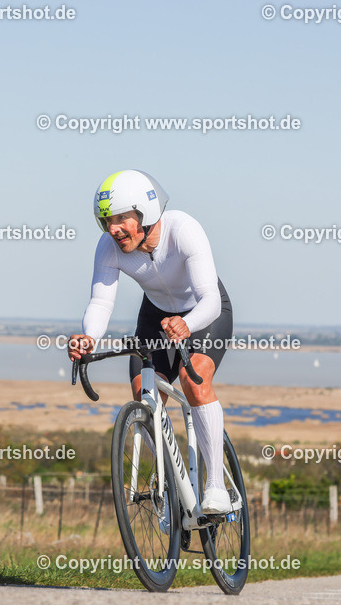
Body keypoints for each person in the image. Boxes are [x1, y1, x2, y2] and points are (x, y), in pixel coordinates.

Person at [68, 169, 234, 515]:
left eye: (120, 219)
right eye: (106, 221)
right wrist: (89, 339)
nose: (112, 229)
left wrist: (187, 325)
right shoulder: (109, 248)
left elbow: (210, 300)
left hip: (202, 313)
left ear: (145, 213)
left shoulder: (182, 230)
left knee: (194, 379)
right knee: (144, 394)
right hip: (155, 315)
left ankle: (216, 485)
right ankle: (172, 482)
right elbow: (101, 302)